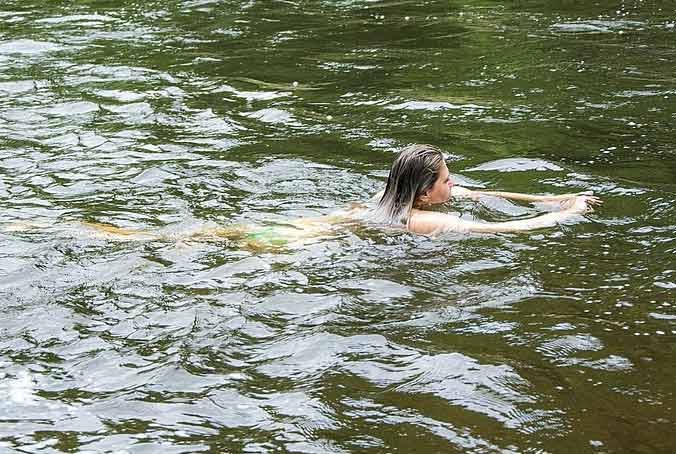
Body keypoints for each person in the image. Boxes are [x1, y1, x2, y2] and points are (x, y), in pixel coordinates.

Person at [365, 144, 601, 234]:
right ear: (425, 194)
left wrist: (554, 199)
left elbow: (484, 194)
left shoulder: (384, 197)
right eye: (446, 181)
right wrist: (570, 213)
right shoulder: (430, 221)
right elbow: (507, 228)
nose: (453, 183)